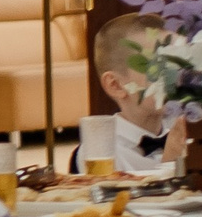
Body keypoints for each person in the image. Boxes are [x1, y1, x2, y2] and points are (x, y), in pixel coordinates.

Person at [79, 11, 185, 172]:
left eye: (179, 62)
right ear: (116, 85)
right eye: (159, 66)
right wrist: (170, 163)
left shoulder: (185, 132)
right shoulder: (101, 152)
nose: (176, 75)